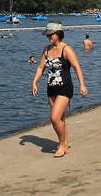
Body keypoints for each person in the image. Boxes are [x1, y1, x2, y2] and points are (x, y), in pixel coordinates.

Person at [31, 21, 88, 158]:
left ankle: (61, 145)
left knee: (54, 117)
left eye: (51, 34)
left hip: (65, 87)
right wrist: (34, 82)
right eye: (48, 35)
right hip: (51, 88)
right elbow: (40, 68)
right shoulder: (46, 49)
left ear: (58, 34)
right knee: (60, 118)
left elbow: (77, 67)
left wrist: (82, 85)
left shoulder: (66, 49)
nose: (49, 37)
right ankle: (65, 143)